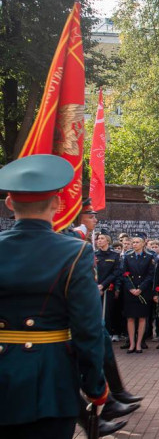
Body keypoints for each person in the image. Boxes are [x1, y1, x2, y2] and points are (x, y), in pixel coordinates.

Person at [0, 155, 110, 438]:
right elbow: (88, 329)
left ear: (10, 203)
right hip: (50, 380)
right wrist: (95, 386)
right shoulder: (74, 252)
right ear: (58, 205)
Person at [122, 232, 156, 353]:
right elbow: (124, 274)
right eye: (133, 242)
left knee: (142, 318)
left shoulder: (149, 257)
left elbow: (150, 275)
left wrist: (140, 288)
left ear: (143, 244)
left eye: (137, 242)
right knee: (130, 318)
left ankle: (139, 344)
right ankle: (131, 343)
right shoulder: (127, 256)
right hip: (130, 291)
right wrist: (131, 288)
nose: (134, 244)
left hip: (143, 291)